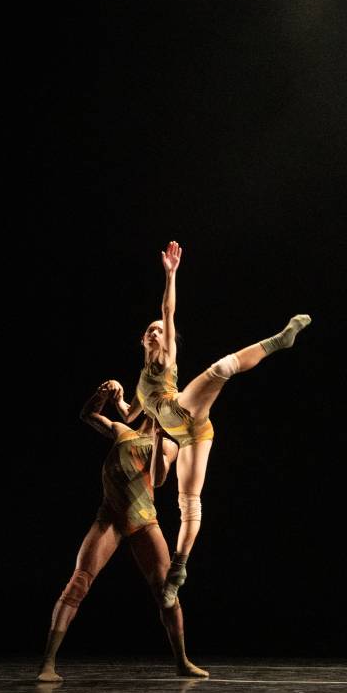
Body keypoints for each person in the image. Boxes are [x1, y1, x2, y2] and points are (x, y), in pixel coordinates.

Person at [115, 240, 311, 607]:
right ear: (143, 338)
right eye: (151, 330)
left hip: (185, 410)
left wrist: (171, 275)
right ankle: (179, 570)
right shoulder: (142, 381)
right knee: (188, 503)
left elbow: (168, 310)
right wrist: (117, 398)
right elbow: (130, 415)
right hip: (188, 437)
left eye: (161, 330)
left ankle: (279, 341)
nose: (157, 332)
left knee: (221, 369)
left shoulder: (166, 360)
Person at [37, 380, 208, 682]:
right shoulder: (120, 430)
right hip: (110, 518)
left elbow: (157, 479)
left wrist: (157, 441)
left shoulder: (170, 444)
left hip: (144, 520)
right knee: (78, 583)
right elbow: (88, 415)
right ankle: (48, 665)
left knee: (166, 593)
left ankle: (182, 661)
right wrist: (100, 394)